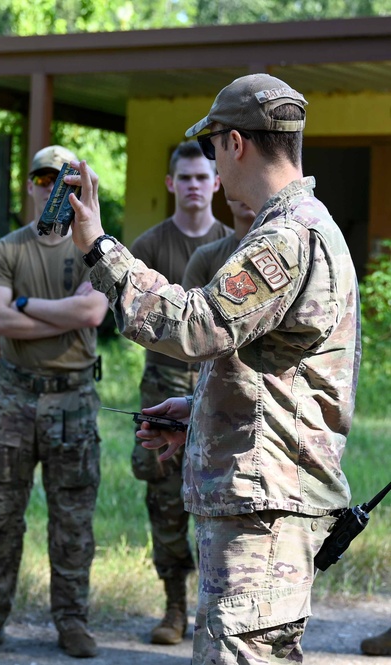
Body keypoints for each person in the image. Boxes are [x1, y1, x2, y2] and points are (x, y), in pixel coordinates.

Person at [68, 73, 359, 664]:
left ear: (234, 143)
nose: (215, 167)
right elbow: (278, 367)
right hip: (263, 492)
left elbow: (197, 326)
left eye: (212, 149)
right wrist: (199, 413)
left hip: (266, 502)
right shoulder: (300, 225)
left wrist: (100, 249)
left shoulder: (286, 235)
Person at [0, 145, 108, 658]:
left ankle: (72, 621)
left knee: (72, 522)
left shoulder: (98, 249)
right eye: (44, 177)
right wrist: (56, 313)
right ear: (31, 184)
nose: (53, 186)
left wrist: (26, 304)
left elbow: (91, 313)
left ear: (78, 186)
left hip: (73, 401)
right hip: (14, 399)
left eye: (64, 179)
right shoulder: (7, 250)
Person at [127, 140, 231, 645]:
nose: (194, 185)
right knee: (165, 498)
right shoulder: (148, 246)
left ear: (217, 182)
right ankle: (173, 606)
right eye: (184, 177)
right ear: (171, 183)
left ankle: (221, 608)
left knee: (225, 496)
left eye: (202, 176)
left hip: (222, 390)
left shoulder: (238, 244)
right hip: (166, 387)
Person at [182, 198, 256, 290]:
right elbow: (188, 302)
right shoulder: (205, 256)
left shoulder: (278, 249)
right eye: (242, 186)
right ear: (228, 197)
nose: (246, 194)